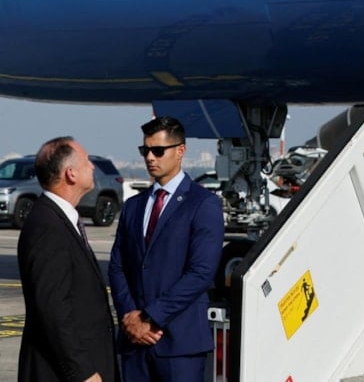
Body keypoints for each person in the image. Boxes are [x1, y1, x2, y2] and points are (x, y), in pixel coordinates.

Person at [109, 116, 224, 381]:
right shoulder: (133, 206)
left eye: (158, 150)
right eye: (145, 150)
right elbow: (118, 266)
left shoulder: (203, 204)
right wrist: (130, 318)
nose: (150, 157)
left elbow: (201, 273)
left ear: (180, 151)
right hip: (134, 343)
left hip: (179, 345)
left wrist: (151, 318)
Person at [17, 137, 119, 382]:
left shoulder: (59, 219)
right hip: (65, 373)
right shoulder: (48, 227)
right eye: (86, 161)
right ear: (71, 173)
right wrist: (82, 371)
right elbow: (53, 309)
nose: (92, 166)